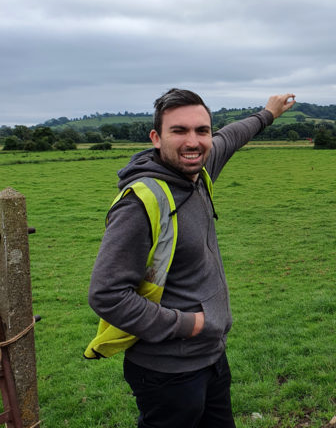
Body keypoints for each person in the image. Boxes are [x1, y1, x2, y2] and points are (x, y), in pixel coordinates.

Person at [87, 88, 296, 427]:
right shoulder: (140, 203)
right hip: (167, 371)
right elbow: (106, 294)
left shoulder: (197, 173)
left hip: (211, 357)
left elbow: (231, 136)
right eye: (179, 130)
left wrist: (268, 114)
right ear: (156, 138)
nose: (193, 141)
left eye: (202, 130)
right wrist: (189, 324)